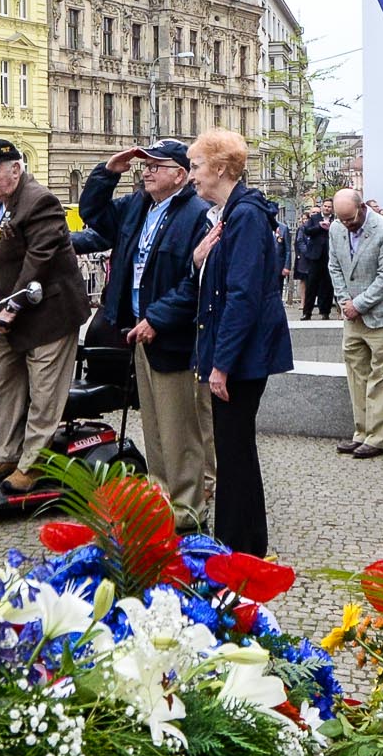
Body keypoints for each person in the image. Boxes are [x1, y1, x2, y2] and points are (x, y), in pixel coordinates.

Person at [0, 138, 89, 495]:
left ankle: (33, 463)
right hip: (1, 311)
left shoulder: (40, 201)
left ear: (16, 169)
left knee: (43, 393)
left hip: (47, 312)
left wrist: (13, 306)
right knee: (1, 384)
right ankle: (5, 453)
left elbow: (38, 259)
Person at [80, 139, 213, 529]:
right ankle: (161, 495)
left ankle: (188, 506)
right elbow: (93, 213)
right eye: (146, 165)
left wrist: (158, 318)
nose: (147, 170)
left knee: (179, 427)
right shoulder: (137, 206)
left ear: (180, 175)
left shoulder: (196, 214)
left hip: (172, 334)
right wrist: (108, 172)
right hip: (138, 328)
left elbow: (193, 283)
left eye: (157, 165)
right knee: (153, 425)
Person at [186, 128, 293, 557]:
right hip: (235, 354)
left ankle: (240, 544)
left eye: (196, 166)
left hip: (242, 358)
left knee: (235, 451)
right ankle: (238, 540)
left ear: (221, 168)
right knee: (233, 450)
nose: (192, 175)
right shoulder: (234, 214)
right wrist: (198, 261)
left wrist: (221, 364)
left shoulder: (246, 216)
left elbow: (243, 295)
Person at [326, 186, 383, 459]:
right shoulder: (336, 228)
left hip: (381, 317)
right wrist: (344, 301)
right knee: (356, 376)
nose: (346, 225)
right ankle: (360, 432)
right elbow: (334, 266)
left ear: (361, 208)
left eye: (350, 219)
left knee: (380, 378)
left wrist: (358, 304)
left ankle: (376, 438)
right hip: (351, 316)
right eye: (341, 220)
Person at [296, 202, 334, 319]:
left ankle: (325, 312)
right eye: (325, 206)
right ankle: (307, 312)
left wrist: (330, 227)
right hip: (315, 256)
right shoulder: (314, 218)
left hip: (330, 256)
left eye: (330, 207)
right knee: (311, 285)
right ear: (322, 207)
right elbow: (307, 230)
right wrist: (320, 226)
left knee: (327, 286)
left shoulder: (336, 219)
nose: (327, 208)